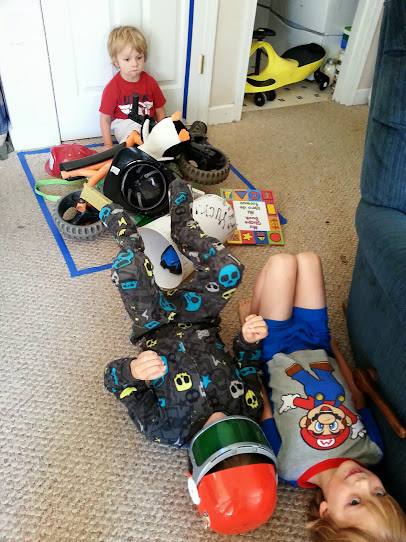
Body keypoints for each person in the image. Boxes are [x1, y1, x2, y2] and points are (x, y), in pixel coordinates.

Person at [101, 178, 278, 535]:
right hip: (200, 316)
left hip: (153, 324)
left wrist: (133, 371)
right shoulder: (249, 406)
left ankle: (125, 233)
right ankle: (183, 225)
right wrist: (248, 339)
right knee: (230, 270)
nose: (222, 423)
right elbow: (247, 361)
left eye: (218, 445)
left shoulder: (163, 429)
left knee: (128, 267)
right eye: (239, 435)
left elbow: (114, 382)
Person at [238, 251, 406, 541]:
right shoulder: (371, 450)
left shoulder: (287, 466)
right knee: (309, 260)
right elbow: (356, 396)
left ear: (326, 513)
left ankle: (250, 314)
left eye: (355, 501)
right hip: (317, 341)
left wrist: (248, 342)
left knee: (281, 263)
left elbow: (264, 409)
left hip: (273, 348)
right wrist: (334, 348)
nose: (363, 483)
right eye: (379, 493)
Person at [99, 26, 166, 149]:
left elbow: (159, 109)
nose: (135, 64)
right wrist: (108, 145)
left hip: (148, 124)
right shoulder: (112, 88)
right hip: (125, 126)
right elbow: (105, 118)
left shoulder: (150, 82)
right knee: (134, 133)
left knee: (170, 132)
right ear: (116, 62)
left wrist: (162, 131)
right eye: (127, 59)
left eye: (139, 57)